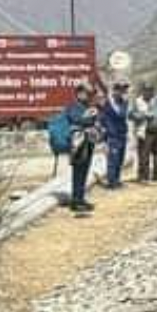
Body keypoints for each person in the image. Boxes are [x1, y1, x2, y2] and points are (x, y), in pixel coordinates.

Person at [62, 81, 101, 214]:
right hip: (78, 142)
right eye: (87, 93)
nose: (89, 96)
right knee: (78, 170)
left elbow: (92, 121)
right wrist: (89, 116)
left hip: (88, 141)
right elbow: (76, 120)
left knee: (85, 170)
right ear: (79, 93)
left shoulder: (87, 106)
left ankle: (81, 198)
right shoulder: (73, 106)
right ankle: (76, 200)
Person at [131, 82, 157, 182]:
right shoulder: (138, 101)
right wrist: (143, 115)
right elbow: (131, 115)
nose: (148, 92)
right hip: (145, 132)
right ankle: (143, 176)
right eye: (146, 90)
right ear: (142, 91)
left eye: (150, 90)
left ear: (153, 91)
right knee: (144, 155)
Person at [99, 81, 132, 189]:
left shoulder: (124, 102)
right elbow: (103, 119)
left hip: (122, 135)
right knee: (113, 160)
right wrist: (104, 137)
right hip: (112, 136)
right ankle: (111, 182)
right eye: (121, 90)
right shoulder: (108, 103)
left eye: (124, 90)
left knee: (120, 159)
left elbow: (124, 115)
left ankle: (117, 180)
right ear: (115, 91)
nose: (123, 92)